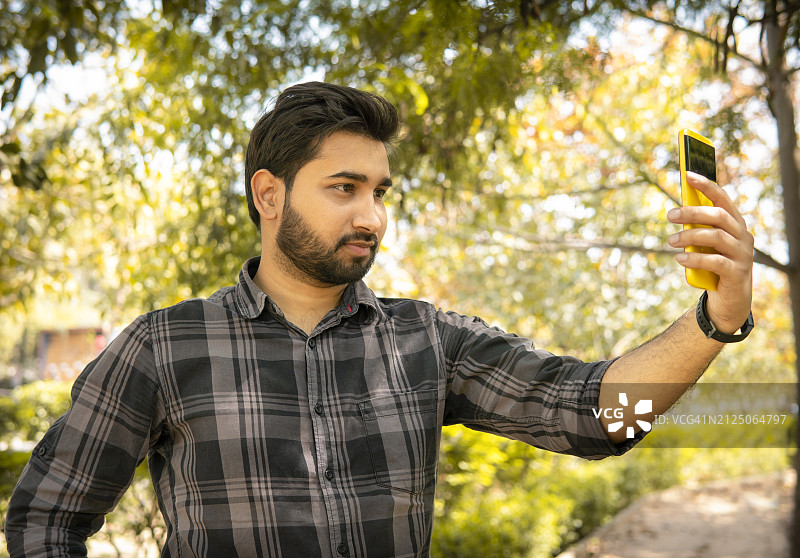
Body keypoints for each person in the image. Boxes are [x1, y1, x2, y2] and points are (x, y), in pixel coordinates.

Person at [4, 82, 754, 557]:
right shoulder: (162, 347)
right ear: (269, 195)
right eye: (344, 188)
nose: (373, 216)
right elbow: (45, 524)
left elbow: (595, 416)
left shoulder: (427, 339)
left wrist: (717, 318)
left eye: (381, 191)